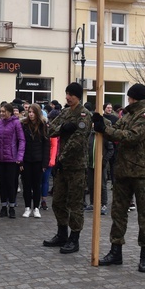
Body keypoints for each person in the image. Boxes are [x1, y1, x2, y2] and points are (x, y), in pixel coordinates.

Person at [95, 83, 145, 272]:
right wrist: (102, 122)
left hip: (142, 173)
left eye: (129, 96)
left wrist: (106, 130)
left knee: (144, 215)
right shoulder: (128, 114)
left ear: (133, 97)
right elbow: (117, 128)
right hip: (123, 171)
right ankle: (116, 252)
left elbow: (131, 136)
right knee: (118, 213)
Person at [43, 83, 91, 255]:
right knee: (58, 201)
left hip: (76, 166)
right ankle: (62, 233)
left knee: (75, 203)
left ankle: (74, 238)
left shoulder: (84, 115)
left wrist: (61, 159)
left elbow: (78, 139)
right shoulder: (64, 112)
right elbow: (50, 130)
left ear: (78, 95)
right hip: (62, 166)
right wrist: (62, 129)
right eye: (66, 94)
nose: (67, 97)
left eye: (70, 94)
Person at [0, 102, 25, 219]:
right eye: (0, 111)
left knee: (11, 184)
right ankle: (3, 207)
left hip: (12, 158)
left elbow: (21, 140)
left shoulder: (16, 123)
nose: (1, 113)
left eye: (3, 111)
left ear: (10, 112)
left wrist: (20, 156)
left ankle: (11, 207)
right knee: (2, 184)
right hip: (0, 158)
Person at [20, 104, 49, 218]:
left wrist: (44, 162)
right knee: (26, 185)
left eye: (33, 112)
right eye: (29, 112)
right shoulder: (24, 125)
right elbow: (20, 143)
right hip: (26, 159)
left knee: (37, 185)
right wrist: (20, 160)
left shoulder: (43, 126)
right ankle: (27, 207)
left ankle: (36, 208)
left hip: (38, 159)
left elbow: (46, 145)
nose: (31, 114)